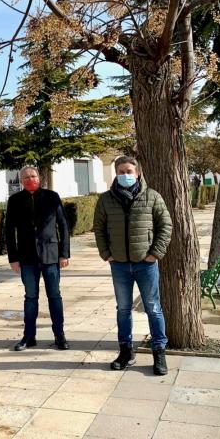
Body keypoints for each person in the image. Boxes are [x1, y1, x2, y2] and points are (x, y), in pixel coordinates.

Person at [93, 156, 172, 375]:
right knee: (123, 309)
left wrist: (155, 253)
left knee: (153, 308)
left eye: (128, 171)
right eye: (120, 171)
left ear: (137, 173)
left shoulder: (152, 197)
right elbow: (99, 228)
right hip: (118, 265)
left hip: (145, 264)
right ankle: (126, 352)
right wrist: (106, 253)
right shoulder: (106, 199)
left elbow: (166, 225)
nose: (124, 175)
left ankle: (159, 353)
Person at [5, 166, 71, 351]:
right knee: (30, 298)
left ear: (39, 177)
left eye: (33, 176)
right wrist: (13, 257)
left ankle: (60, 335)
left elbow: (63, 226)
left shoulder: (52, 197)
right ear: (21, 180)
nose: (29, 179)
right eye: (25, 177)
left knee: (54, 296)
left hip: (50, 256)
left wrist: (64, 253)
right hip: (27, 257)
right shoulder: (15, 200)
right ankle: (29, 336)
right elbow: (9, 231)